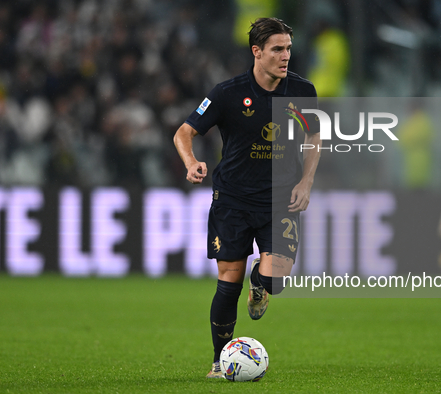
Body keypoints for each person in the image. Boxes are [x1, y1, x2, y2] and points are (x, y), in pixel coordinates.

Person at [173, 17, 321, 378]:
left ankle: (261, 285)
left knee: (276, 279)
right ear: (257, 52)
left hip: (280, 199)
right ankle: (218, 360)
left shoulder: (303, 91)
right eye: (277, 49)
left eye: (288, 48)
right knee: (228, 280)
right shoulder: (226, 92)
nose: (285, 56)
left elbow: (314, 138)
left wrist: (306, 182)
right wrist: (192, 163)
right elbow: (183, 132)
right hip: (234, 199)